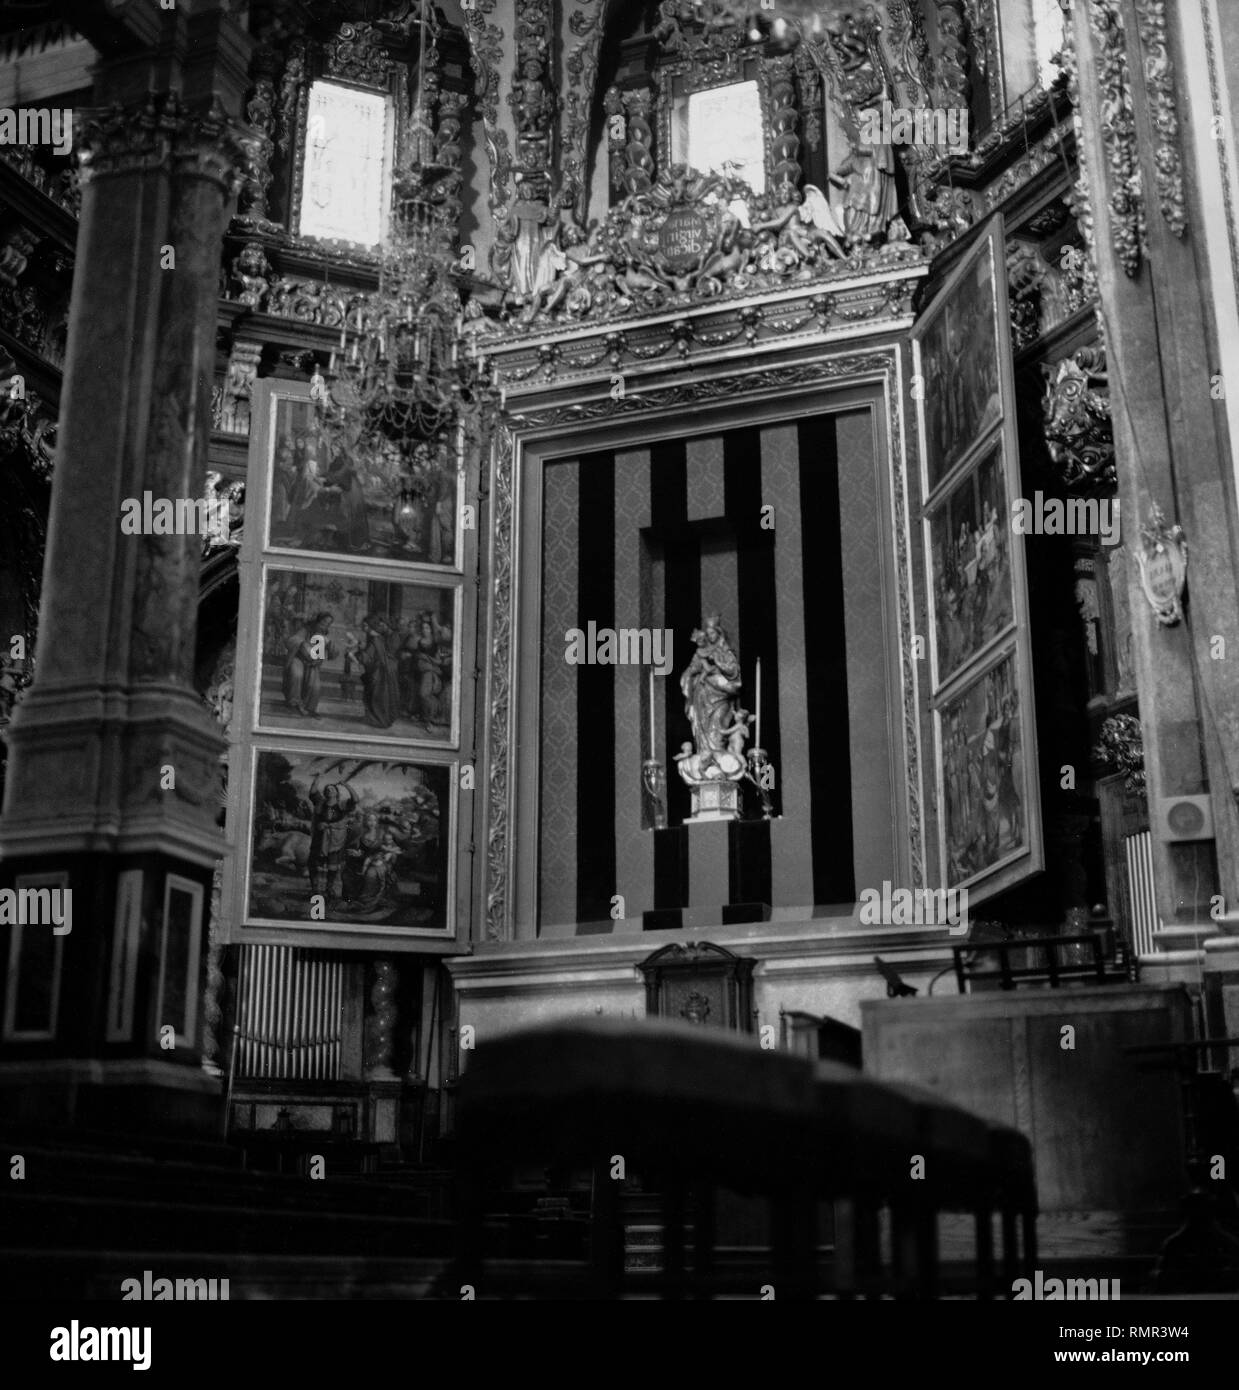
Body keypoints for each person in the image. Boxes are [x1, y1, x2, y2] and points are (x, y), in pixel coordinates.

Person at [680, 615, 743, 754]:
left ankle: (718, 754)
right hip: (702, 697)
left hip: (720, 697)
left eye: (713, 633)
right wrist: (691, 674)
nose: (711, 636)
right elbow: (693, 668)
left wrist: (717, 661)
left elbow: (733, 671)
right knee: (703, 726)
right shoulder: (701, 652)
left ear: (719, 632)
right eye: (708, 634)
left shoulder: (726, 651)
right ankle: (704, 754)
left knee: (718, 724)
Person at [306, 775, 355, 904]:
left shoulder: (342, 805)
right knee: (314, 864)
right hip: (319, 838)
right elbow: (312, 793)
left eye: (332, 789)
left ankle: (329, 889)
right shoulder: (320, 802)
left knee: (333, 866)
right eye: (327, 789)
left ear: (336, 792)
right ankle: (315, 889)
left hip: (335, 840)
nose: (329, 791)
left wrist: (346, 785)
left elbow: (355, 799)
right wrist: (316, 779)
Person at [282, 611, 336, 716]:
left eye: (328, 623)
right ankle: (294, 704)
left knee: (315, 686)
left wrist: (329, 646)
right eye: (324, 621)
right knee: (297, 674)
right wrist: (302, 643)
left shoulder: (323, 636)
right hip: (298, 658)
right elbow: (292, 641)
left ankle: (310, 708)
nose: (325, 625)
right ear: (318, 620)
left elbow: (329, 654)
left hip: (312, 663)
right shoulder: (305, 630)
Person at [358, 615, 398, 729]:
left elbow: (373, 655)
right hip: (379, 668)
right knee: (375, 693)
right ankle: (374, 717)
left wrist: (359, 653)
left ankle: (379, 719)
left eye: (365, 625)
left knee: (379, 694)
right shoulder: (379, 637)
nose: (363, 627)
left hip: (383, 670)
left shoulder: (378, 638)